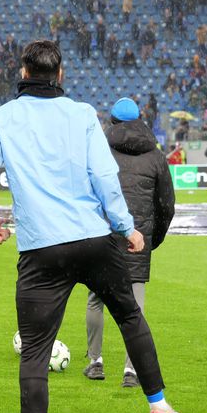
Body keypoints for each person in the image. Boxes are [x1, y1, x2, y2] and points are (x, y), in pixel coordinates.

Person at [0, 40, 180, 413]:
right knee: (129, 315)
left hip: (42, 249)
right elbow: (104, 176)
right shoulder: (83, 114)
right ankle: (159, 405)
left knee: (35, 350)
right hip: (93, 238)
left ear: (23, 73)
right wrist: (125, 226)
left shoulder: (1, 118)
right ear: (60, 74)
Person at [83, 97, 175, 387]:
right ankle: (132, 370)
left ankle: (95, 362)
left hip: (103, 235)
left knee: (96, 299)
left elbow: (86, 194)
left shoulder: (98, 150)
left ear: (111, 121)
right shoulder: (156, 155)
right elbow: (167, 205)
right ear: (139, 121)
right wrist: (152, 238)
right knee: (135, 306)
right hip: (138, 237)